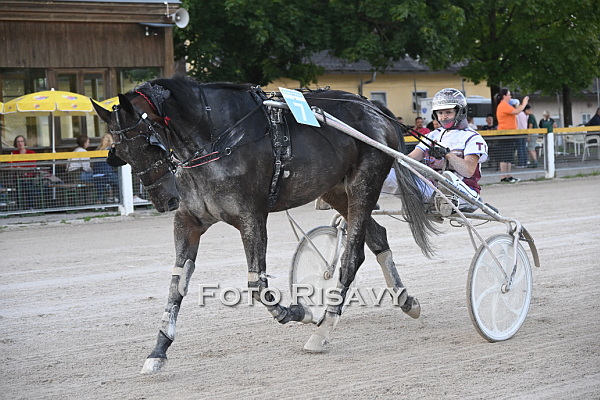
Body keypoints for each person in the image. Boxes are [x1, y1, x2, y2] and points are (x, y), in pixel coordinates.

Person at [407, 88, 488, 212]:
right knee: (393, 174)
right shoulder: (432, 135)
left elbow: (468, 171)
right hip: (433, 190)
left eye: (448, 112)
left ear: (460, 112)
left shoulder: (472, 137)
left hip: (465, 192)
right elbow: (410, 159)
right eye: (440, 113)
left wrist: (448, 154)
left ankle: (446, 199)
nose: (444, 117)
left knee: (447, 176)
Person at [495, 88, 529, 183]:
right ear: (504, 96)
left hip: (510, 133)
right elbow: (516, 111)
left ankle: (508, 176)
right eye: (509, 95)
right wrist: (524, 103)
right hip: (504, 133)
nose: (510, 96)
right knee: (504, 156)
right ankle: (503, 176)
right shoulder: (503, 105)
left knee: (509, 156)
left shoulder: (506, 105)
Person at [93, 133, 119, 203]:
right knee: (120, 180)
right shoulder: (111, 150)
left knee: (102, 186)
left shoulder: (98, 150)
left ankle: (103, 200)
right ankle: (118, 197)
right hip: (106, 175)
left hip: (96, 176)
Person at [513, 99, 528, 168]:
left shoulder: (516, 114)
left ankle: (521, 163)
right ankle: (525, 162)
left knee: (520, 148)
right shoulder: (523, 114)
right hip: (524, 132)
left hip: (518, 132)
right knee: (524, 147)